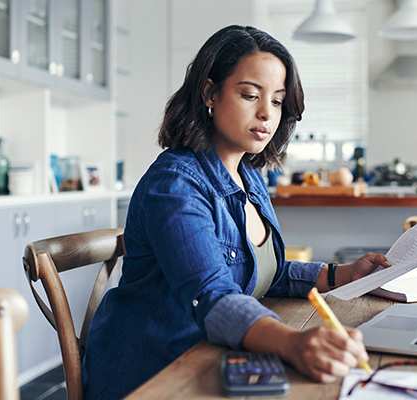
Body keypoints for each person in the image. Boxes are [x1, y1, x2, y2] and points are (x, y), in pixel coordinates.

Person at [82, 25, 390, 399]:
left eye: (277, 101)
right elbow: (213, 294)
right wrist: (292, 343)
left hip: (212, 356)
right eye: (250, 95)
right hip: (155, 372)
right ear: (210, 92)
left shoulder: (250, 176)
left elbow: (261, 275)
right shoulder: (175, 185)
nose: (266, 113)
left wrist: (340, 275)